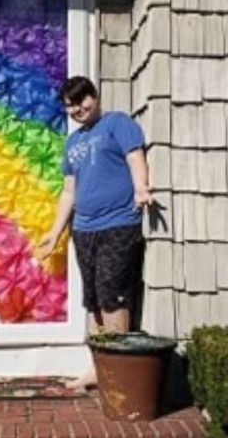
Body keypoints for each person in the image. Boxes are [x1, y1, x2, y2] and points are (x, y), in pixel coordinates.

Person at [38, 76, 152, 389]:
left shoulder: (117, 123)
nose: (78, 108)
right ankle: (98, 370)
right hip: (84, 230)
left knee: (112, 298)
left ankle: (119, 374)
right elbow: (69, 192)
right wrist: (55, 232)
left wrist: (141, 188)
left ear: (95, 96)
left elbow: (135, 157)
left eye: (82, 100)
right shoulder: (72, 143)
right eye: (71, 104)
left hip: (118, 225)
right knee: (94, 301)